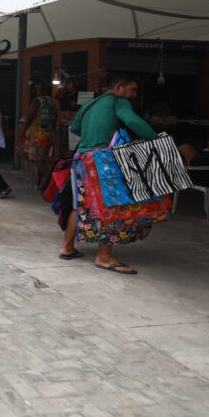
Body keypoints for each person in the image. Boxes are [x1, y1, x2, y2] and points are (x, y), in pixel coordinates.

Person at [65, 74, 159, 275]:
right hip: (103, 162)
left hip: (81, 159)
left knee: (80, 205)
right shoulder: (119, 102)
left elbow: (74, 128)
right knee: (111, 205)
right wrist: (155, 137)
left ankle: (67, 247)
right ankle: (104, 256)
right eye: (132, 90)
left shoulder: (90, 105)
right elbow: (132, 120)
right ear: (119, 87)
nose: (133, 95)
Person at [18, 82, 59, 189]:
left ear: (41, 90)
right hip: (48, 135)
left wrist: (22, 132)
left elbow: (29, 118)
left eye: (37, 89)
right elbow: (54, 121)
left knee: (34, 159)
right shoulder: (53, 103)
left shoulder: (37, 101)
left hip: (38, 136)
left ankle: (53, 180)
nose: (36, 91)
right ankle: (39, 183)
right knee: (42, 160)